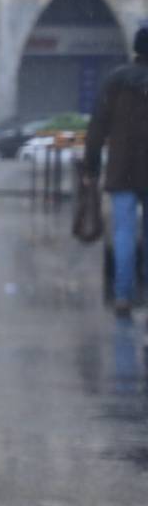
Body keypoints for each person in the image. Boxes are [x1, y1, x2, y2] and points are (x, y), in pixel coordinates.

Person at [84, 26, 148, 314]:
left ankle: (123, 294)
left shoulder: (115, 81)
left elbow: (97, 127)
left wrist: (91, 166)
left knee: (123, 233)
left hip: (123, 169)